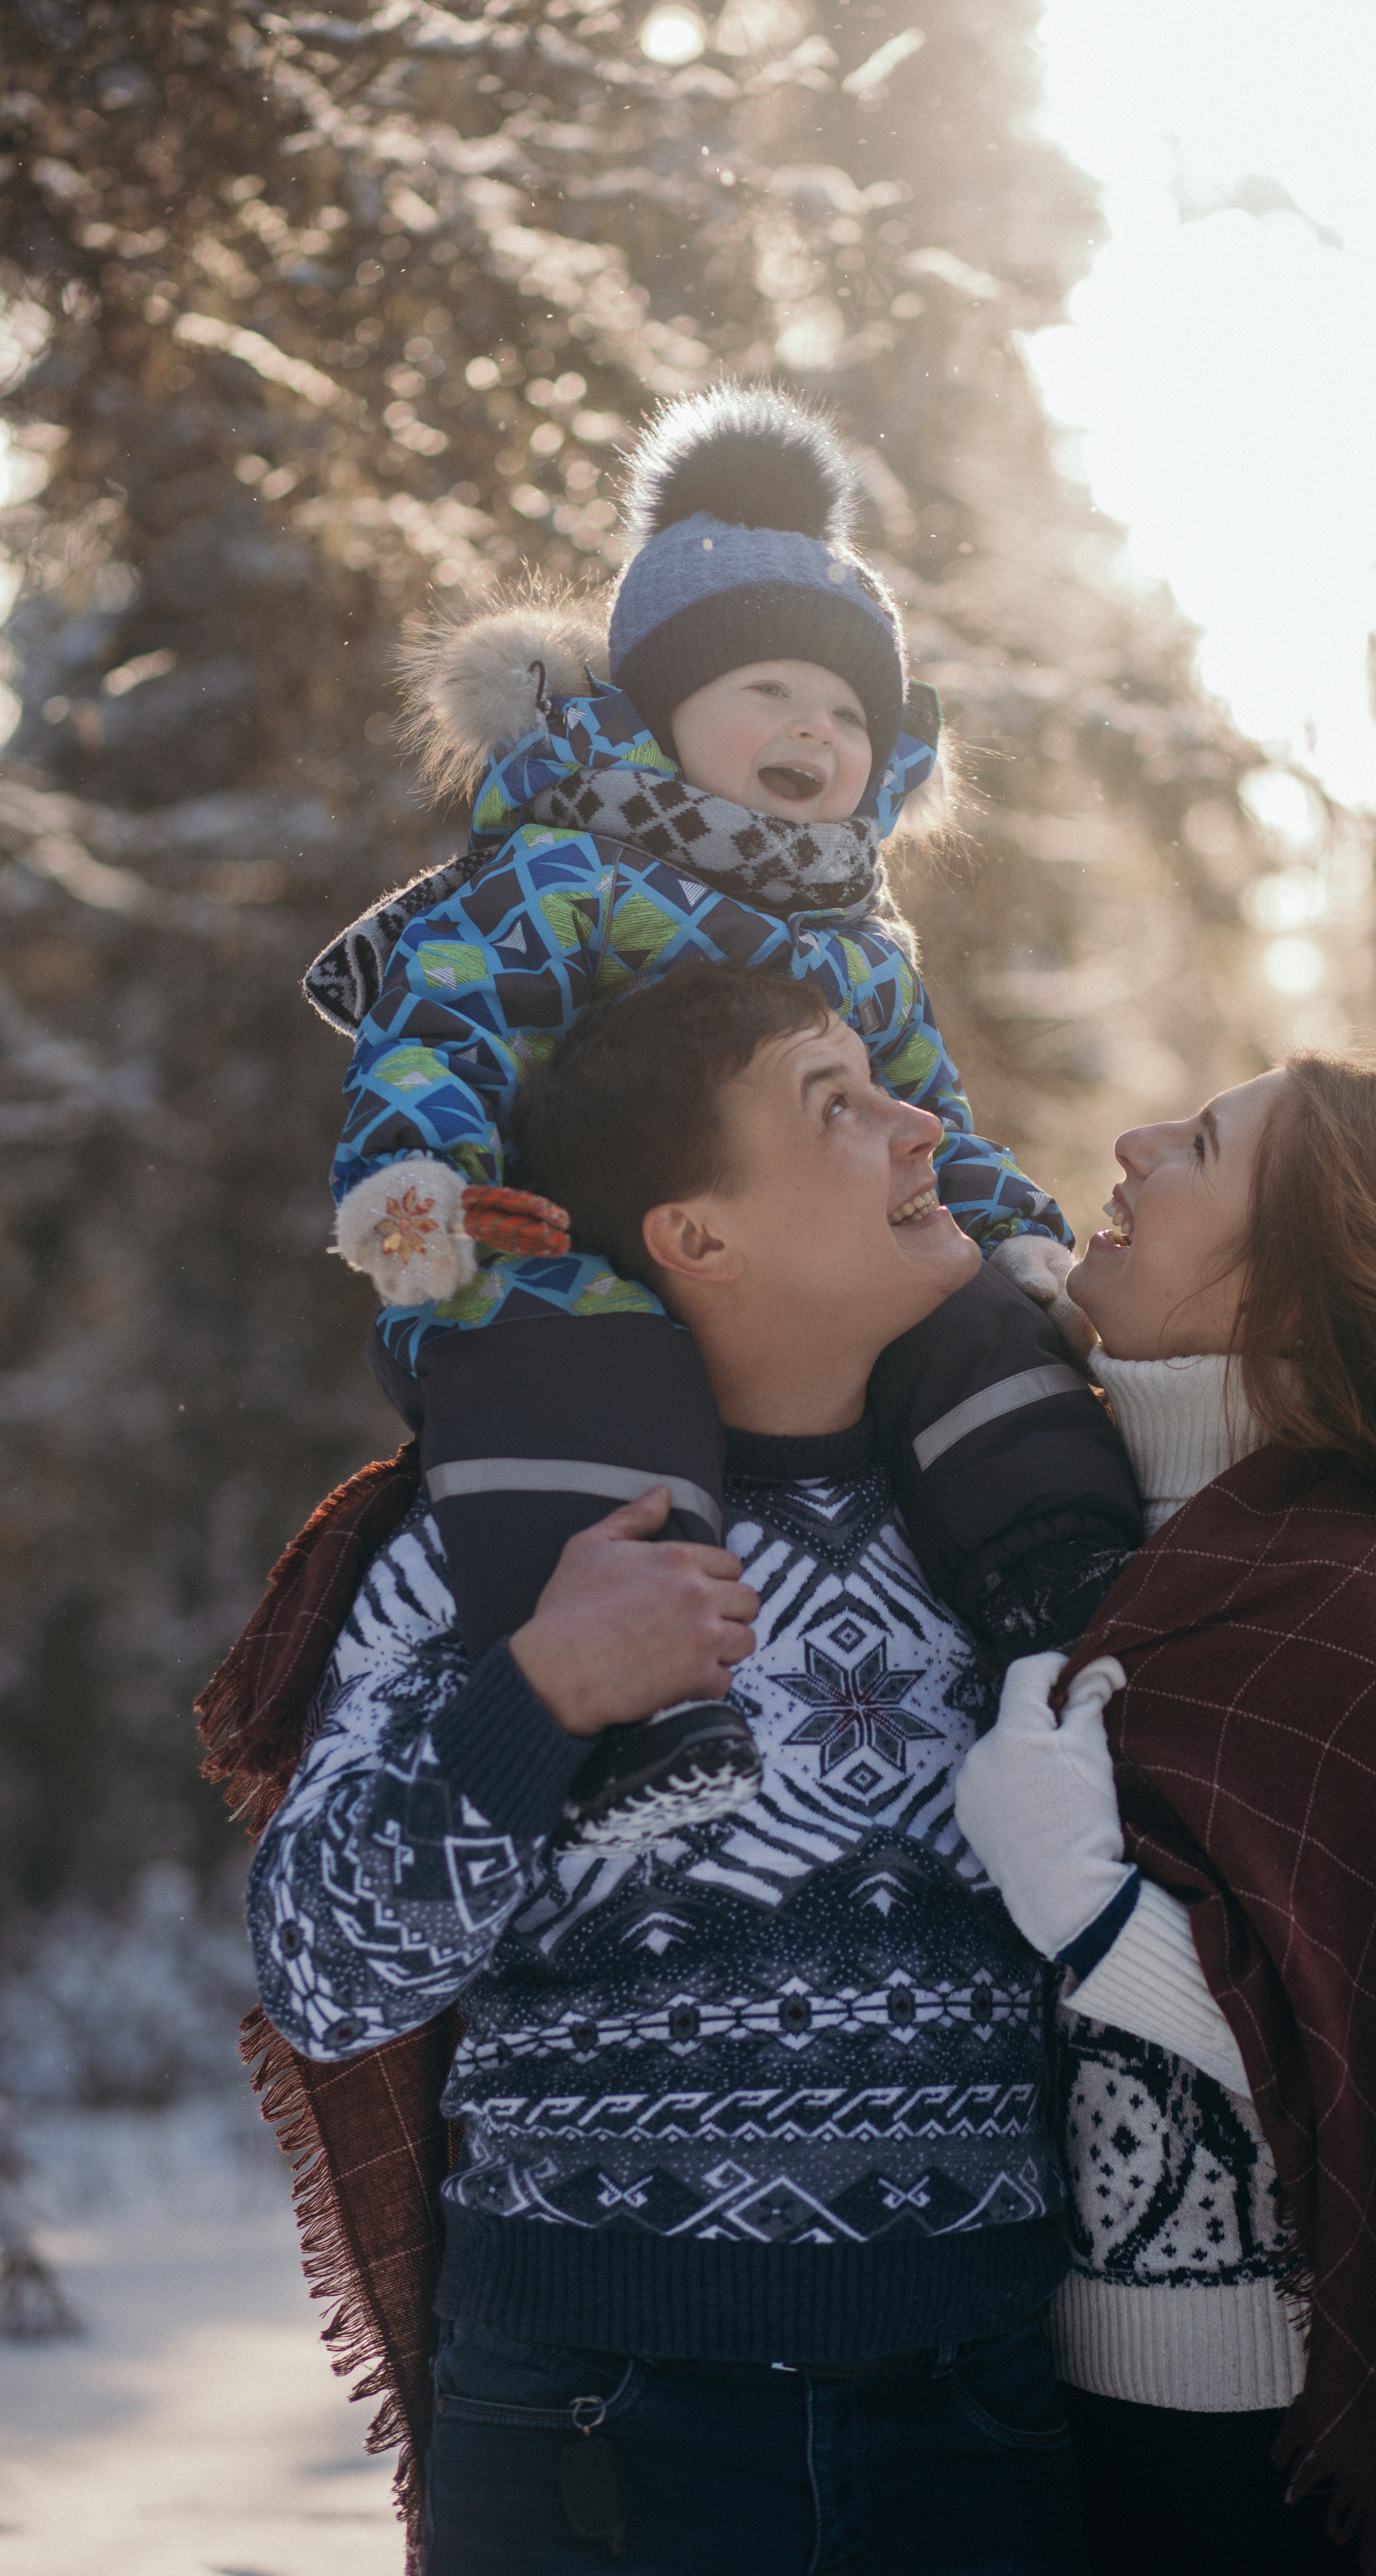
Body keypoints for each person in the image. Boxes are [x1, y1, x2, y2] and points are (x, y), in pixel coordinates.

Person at [248, 961, 1089, 2576]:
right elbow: (322, 1977)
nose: (922, 1125)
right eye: (834, 1105)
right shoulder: (483, 1543)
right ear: (696, 1237)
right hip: (597, 2431)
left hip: (977, 2412)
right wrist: (542, 1692)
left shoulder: (1020, 1527)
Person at [304, 382, 1139, 1846]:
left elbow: (929, 1120)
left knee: (969, 1323)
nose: (810, 729)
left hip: (806, 1317)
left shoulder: (854, 933)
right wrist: (416, 1185)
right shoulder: (562, 872)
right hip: (551, 1242)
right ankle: (630, 1717)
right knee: (563, 1344)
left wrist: (1018, 1241)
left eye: (843, 711)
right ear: (652, 712)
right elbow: (440, 1019)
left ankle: (1054, 1578)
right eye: (765, 691)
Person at [956, 1051, 1376, 2576]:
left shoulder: (1351, 1608)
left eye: (1193, 1146)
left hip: (1266, 2451)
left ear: (1284, 1301)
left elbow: (1356, 2034)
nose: (1124, 1145)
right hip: (1040, 2400)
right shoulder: (1095, 1534)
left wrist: (1074, 1891)